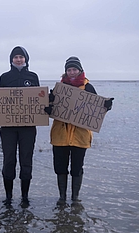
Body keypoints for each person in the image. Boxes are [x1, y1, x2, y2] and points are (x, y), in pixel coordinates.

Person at [49, 56, 114, 205]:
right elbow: (50, 108)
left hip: (80, 136)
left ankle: (75, 197)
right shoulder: (59, 89)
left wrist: (106, 106)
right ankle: (62, 197)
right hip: (60, 135)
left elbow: (96, 111)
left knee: (77, 167)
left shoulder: (88, 88)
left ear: (80, 70)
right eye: (69, 69)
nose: (72, 72)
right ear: (65, 71)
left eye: (74, 69)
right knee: (60, 166)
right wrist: (49, 105)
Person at [0, 46, 40, 206]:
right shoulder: (4, 77)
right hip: (8, 127)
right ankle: (9, 196)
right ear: (11, 59)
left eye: (21, 57)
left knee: (26, 161)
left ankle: (25, 197)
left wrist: (45, 109)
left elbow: (39, 98)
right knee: (9, 160)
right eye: (16, 57)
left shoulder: (33, 77)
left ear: (26, 59)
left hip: (28, 127)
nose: (18, 59)